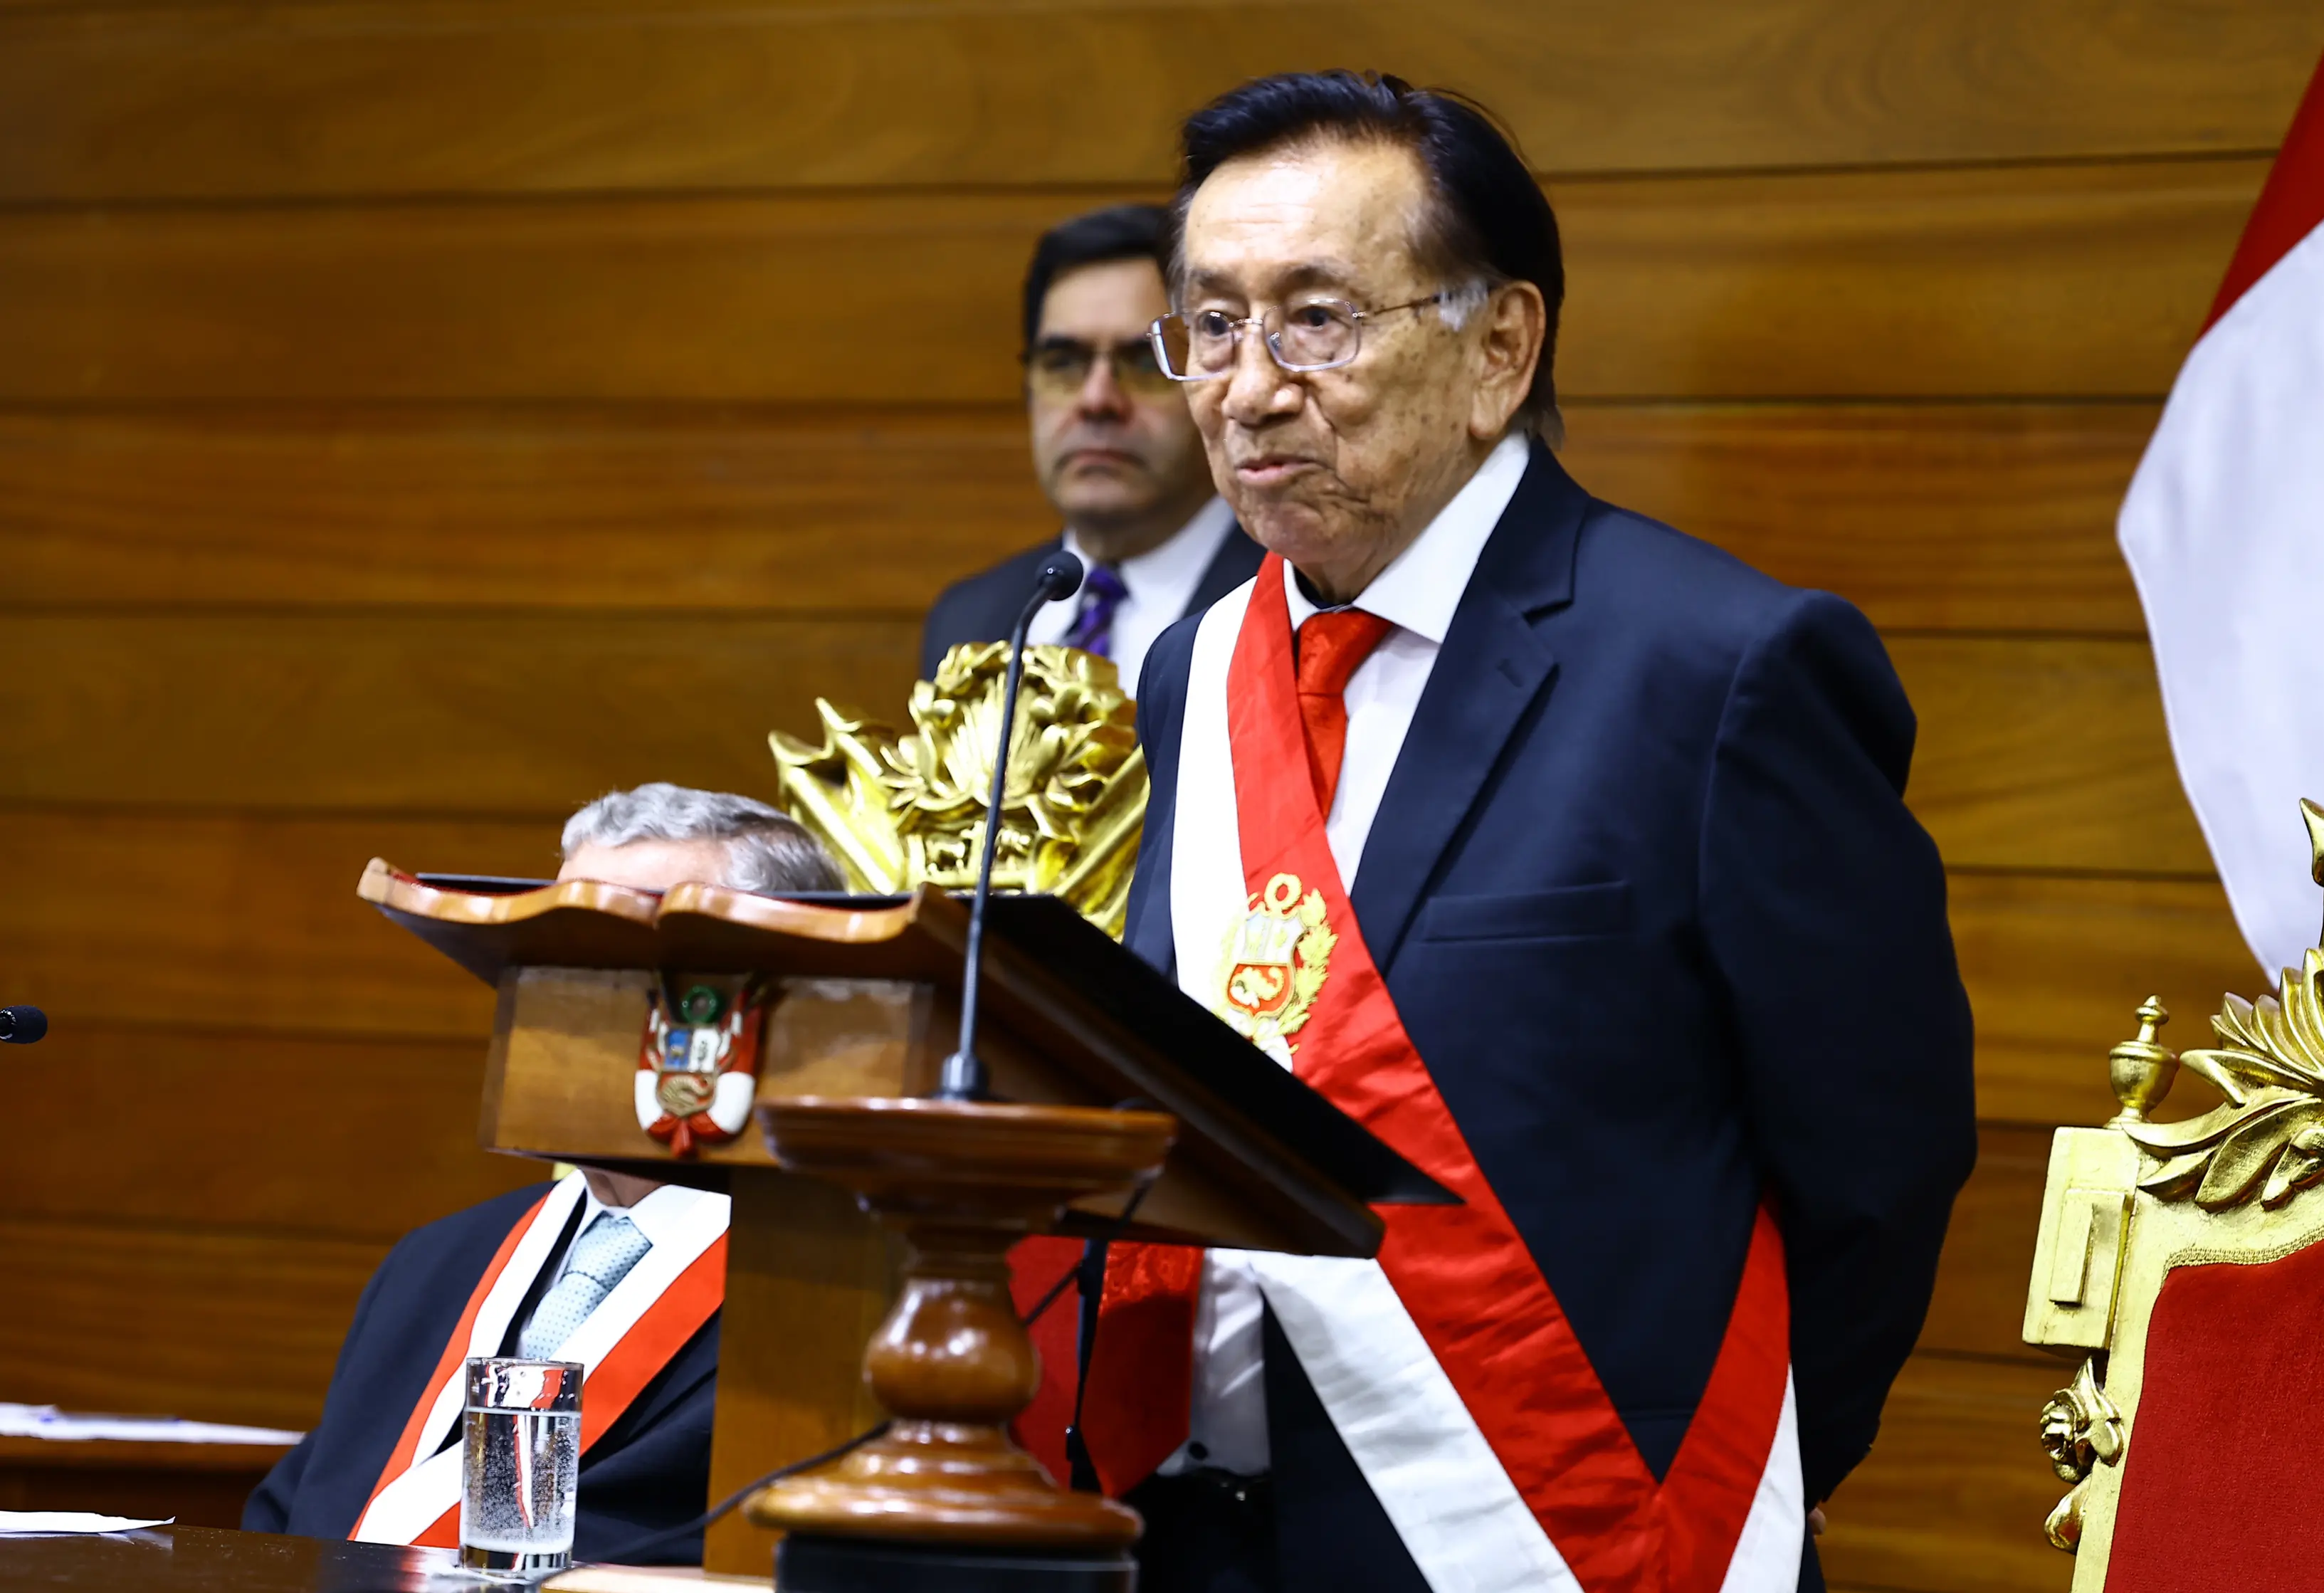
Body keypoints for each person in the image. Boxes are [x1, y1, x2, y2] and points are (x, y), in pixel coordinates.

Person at [1073, 73, 1976, 1593]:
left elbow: (1874, 1165)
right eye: (1212, 324)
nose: (1244, 385)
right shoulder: (1195, 661)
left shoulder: (1719, 667)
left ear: (1498, 346)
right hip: (1193, 1543)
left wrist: (1707, 1483)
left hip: (1565, 1543)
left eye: (1314, 319)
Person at [244, 785, 843, 1561]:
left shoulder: (839, 1294)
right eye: (559, 954)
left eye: (637, 955)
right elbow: (290, 1515)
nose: (579, 997)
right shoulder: (440, 1260)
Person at [919, 203, 1263, 694]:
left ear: (1211, 378)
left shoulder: (1296, 603)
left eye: (1143, 364)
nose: (1096, 400)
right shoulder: (968, 620)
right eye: (1063, 363)